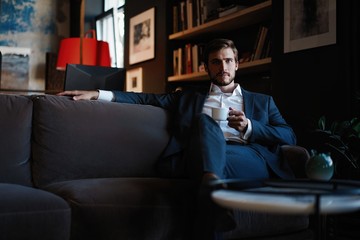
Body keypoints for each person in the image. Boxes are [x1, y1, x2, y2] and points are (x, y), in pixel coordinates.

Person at [58, 38, 297, 239]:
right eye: (216, 62)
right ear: (206, 67)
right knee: (204, 122)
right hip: (199, 154)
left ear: (237, 64)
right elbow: (144, 99)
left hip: (247, 155)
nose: (222, 66)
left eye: (228, 61)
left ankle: (210, 186)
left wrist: (250, 127)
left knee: (207, 168)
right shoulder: (188, 98)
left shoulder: (262, 101)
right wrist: (98, 94)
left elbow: (289, 135)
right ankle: (213, 187)